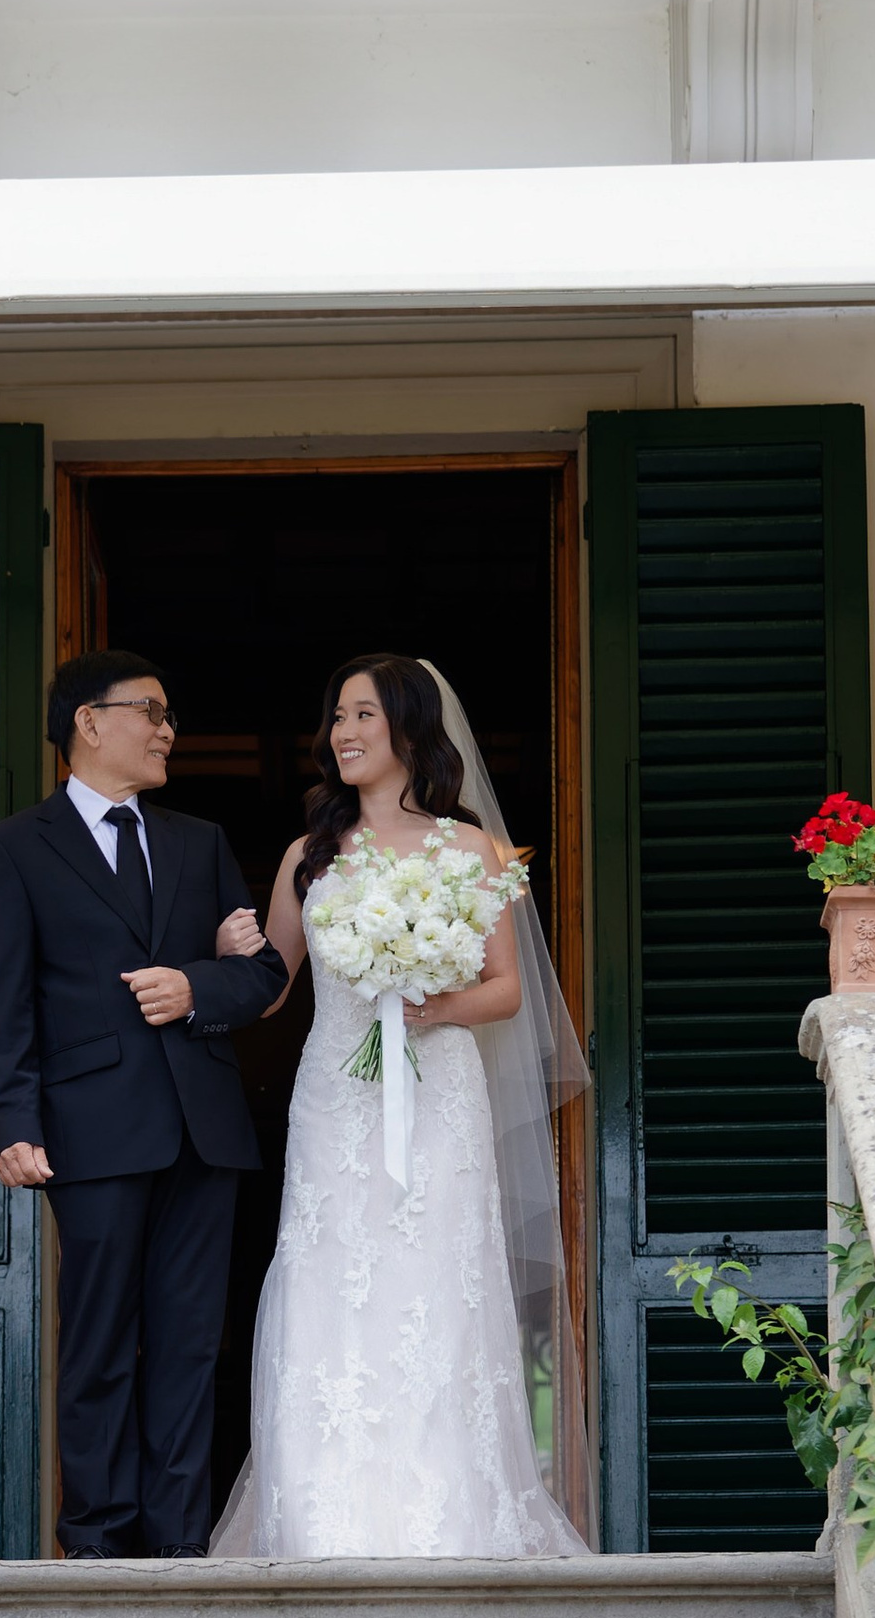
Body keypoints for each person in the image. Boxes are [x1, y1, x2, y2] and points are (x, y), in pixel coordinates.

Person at [211, 653, 592, 1561]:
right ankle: (322, 1518)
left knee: (436, 1288)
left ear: (411, 730)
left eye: (363, 716)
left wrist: (430, 1005)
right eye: (336, 717)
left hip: (441, 1092)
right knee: (328, 1283)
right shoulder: (311, 854)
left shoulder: (471, 851)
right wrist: (232, 950)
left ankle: (452, 1516)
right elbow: (270, 990)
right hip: (335, 1095)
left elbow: (504, 989)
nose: (342, 733)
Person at [0, 649, 286, 1558]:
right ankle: (98, 1544)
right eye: (150, 712)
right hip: (90, 1129)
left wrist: (196, 985)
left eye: (169, 715)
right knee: (101, 1341)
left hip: (205, 1127)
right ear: (88, 722)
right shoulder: (13, 850)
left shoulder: (199, 840)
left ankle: (179, 1544)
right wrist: (11, 1124)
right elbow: (2, 1004)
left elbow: (260, 975)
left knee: (191, 1345)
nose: (166, 730)